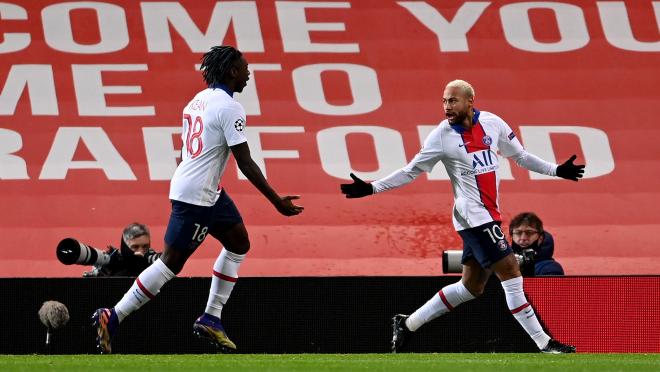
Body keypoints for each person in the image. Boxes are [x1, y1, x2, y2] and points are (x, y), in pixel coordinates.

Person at [341, 79, 583, 354]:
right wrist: (372, 187)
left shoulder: (493, 123)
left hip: (489, 214)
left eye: (452, 100)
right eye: (444, 101)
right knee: (511, 272)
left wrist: (556, 170)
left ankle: (407, 324)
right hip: (473, 217)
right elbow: (411, 170)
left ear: (470, 101)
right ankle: (545, 343)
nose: (447, 106)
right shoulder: (441, 136)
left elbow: (521, 156)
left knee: (471, 287)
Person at [92, 45, 304, 354]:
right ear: (232, 71)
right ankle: (113, 316)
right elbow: (244, 161)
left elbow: (184, 153)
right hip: (198, 197)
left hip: (204, 190)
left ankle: (212, 317)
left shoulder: (197, 101)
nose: (249, 73)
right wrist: (276, 201)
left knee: (238, 243)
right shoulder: (230, 107)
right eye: (245, 68)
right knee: (170, 264)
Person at [55, 222, 161, 277]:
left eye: (145, 246)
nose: (140, 251)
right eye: (135, 247)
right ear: (125, 246)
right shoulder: (109, 262)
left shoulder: (156, 264)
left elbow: (173, 259)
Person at [509, 212, 564, 277]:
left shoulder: (550, 268)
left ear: (540, 238)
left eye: (529, 233)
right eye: (518, 233)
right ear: (511, 236)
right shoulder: (502, 266)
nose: (523, 238)